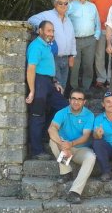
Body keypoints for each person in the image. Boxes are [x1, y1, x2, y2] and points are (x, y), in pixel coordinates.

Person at [25, 21, 68, 160]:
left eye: (52, 31)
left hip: (48, 82)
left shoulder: (46, 46)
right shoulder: (36, 46)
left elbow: (47, 67)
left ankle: (45, 134)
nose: (51, 33)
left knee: (63, 108)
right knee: (37, 116)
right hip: (39, 83)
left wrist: (55, 81)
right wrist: (32, 91)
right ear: (40, 31)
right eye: (48, 31)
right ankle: (36, 151)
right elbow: (31, 69)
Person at [47, 88, 96, 204]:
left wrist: (71, 144)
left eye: (80, 99)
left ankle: (75, 192)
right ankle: (66, 171)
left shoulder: (89, 115)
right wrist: (63, 146)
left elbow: (85, 136)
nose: (76, 102)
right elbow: (51, 129)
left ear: (84, 102)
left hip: (81, 148)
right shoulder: (62, 113)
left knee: (91, 157)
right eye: (73, 98)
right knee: (52, 141)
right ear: (69, 100)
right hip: (64, 147)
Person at [28, 0, 76, 89]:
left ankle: (60, 103)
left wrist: (72, 55)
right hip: (53, 57)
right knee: (56, 86)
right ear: (55, 4)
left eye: (66, 3)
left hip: (65, 59)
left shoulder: (68, 20)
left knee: (63, 86)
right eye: (60, 3)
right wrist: (45, 29)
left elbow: (72, 38)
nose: (63, 5)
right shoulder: (48, 15)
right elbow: (31, 20)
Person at [68, 0, 100, 92]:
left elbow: (97, 22)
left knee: (88, 65)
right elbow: (65, 20)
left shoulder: (92, 6)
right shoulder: (70, 5)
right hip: (75, 40)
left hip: (90, 40)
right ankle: (74, 88)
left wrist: (96, 36)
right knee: (74, 66)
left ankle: (86, 88)